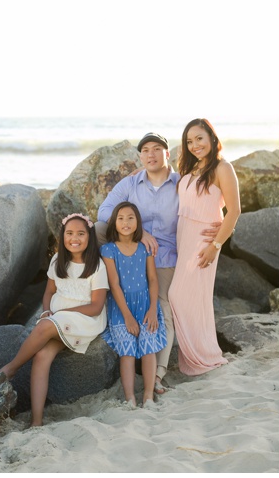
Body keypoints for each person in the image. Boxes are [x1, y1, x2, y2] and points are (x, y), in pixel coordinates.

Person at [96, 132, 219, 394]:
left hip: (165, 256)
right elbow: (105, 211)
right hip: (133, 248)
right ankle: (94, 281)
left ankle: (159, 374)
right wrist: (140, 233)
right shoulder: (131, 183)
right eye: (145, 151)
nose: (150, 155)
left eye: (156, 149)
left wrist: (216, 229)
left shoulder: (181, 184)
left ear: (167, 153)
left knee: (164, 307)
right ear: (140, 156)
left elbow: (202, 207)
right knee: (96, 228)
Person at [0, 213, 109, 426]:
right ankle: (37, 421)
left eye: (81, 233)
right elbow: (48, 293)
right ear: (62, 236)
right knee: (42, 355)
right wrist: (46, 311)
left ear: (90, 236)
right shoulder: (57, 260)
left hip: (85, 319)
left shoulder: (96, 266)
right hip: (57, 321)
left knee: (46, 326)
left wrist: (62, 313)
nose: (75, 238)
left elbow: (96, 306)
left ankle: (12, 367)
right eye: (70, 233)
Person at [168, 118, 240, 375]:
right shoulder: (191, 168)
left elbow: (234, 210)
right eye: (189, 141)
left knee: (179, 295)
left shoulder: (223, 167)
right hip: (183, 237)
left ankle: (205, 355)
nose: (195, 145)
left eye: (199, 138)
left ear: (211, 137)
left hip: (204, 241)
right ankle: (196, 354)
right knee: (193, 298)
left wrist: (216, 243)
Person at [101, 202, 167, 407]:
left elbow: (153, 280)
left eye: (130, 218)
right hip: (122, 309)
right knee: (127, 351)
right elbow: (114, 285)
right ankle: (130, 398)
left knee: (148, 348)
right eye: (120, 218)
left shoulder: (144, 248)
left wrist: (153, 310)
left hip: (146, 306)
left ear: (138, 222)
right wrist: (128, 317)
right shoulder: (108, 249)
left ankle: (148, 395)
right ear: (114, 223)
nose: (125, 222)